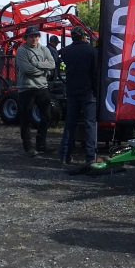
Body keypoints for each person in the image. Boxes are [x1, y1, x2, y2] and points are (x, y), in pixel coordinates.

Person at [58, 26, 99, 172]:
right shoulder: (91, 51)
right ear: (83, 37)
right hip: (88, 92)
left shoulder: (66, 51)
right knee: (90, 125)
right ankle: (90, 157)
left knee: (70, 123)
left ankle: (64, 155)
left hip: (71, 91)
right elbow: (95, 74)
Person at [15, 25, 55, 156]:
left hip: (42, 87)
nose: (34, 38)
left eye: (36, 35)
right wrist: (44, 69)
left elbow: (52, 64)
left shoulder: (44, 49)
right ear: (26, 37)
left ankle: (41, 144)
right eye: (31, 36)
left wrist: (37, 64)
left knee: (47, 116)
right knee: (26, 118)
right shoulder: (22, 51)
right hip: (26, 88)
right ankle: (28, 147)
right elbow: (27, 69)